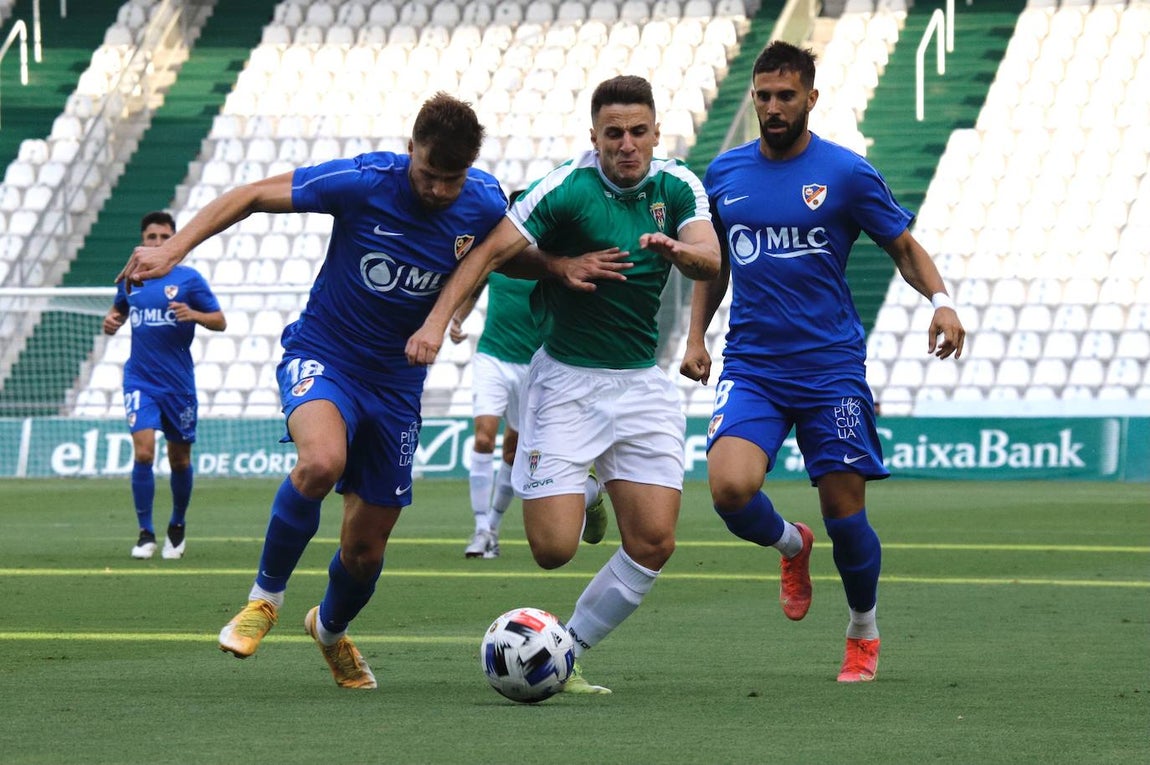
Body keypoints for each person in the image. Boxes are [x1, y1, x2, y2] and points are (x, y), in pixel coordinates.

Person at [117, 93, 508, 690]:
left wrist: (555, 269)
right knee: (322, 460)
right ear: (410, 151)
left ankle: (327, 630)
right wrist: (173, 249)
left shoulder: (483, 199)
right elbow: (247, 195)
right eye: (428, 175)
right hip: (326, 355)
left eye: (450, 180)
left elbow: (501, 253)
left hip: (399, 385)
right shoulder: (362, 181)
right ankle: (263, 601)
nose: (438, 191)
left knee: (365, 552)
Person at [408, 75, 721, 693]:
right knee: (553, 550)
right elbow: (486, 254)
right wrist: (436, 322)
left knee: (654, 542)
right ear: (594, 137)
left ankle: (567, 651)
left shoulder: (678, 184)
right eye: (614, 134)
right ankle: (590, 487)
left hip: (641, 386)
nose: (626, 145)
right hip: (565, 385)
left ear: (656, 134)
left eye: (638, 132)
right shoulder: (565, 187)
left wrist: (680, 254)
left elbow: (711, 256)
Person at [679, 41, 966, 683]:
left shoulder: (846, 173)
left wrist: (942, 301)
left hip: (831, 366)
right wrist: (696, 337)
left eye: (786, 96)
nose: (773, 107)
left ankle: (862, 629)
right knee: (729, 491)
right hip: (752, 364)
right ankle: (790, 543)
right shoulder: (723, 175)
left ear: (812, 98)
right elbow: (714, 266)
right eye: (763, 96)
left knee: (846, 513)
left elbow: (903, 246)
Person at [449, 269, 608, 560]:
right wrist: (457, 318)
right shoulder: (501, 252)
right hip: (492, 356)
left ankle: (493, 529)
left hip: (534, 364)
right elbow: (473, 288)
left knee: (513, 451)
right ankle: (481, 527)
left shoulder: (550, 257)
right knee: (484, 437)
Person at [103, 211, 227, 561]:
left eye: (164, 237)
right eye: (151, 237)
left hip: (178, 384)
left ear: (175, 240)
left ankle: (177, 524)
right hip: (139, 380)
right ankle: (145, 534)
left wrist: (195, 315)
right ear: (142, 241)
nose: (156, 243)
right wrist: (111, 322)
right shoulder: (131, 279)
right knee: (144, 452)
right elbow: (118, 313)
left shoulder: (189, 280)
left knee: (180, 460)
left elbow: (220, 321)